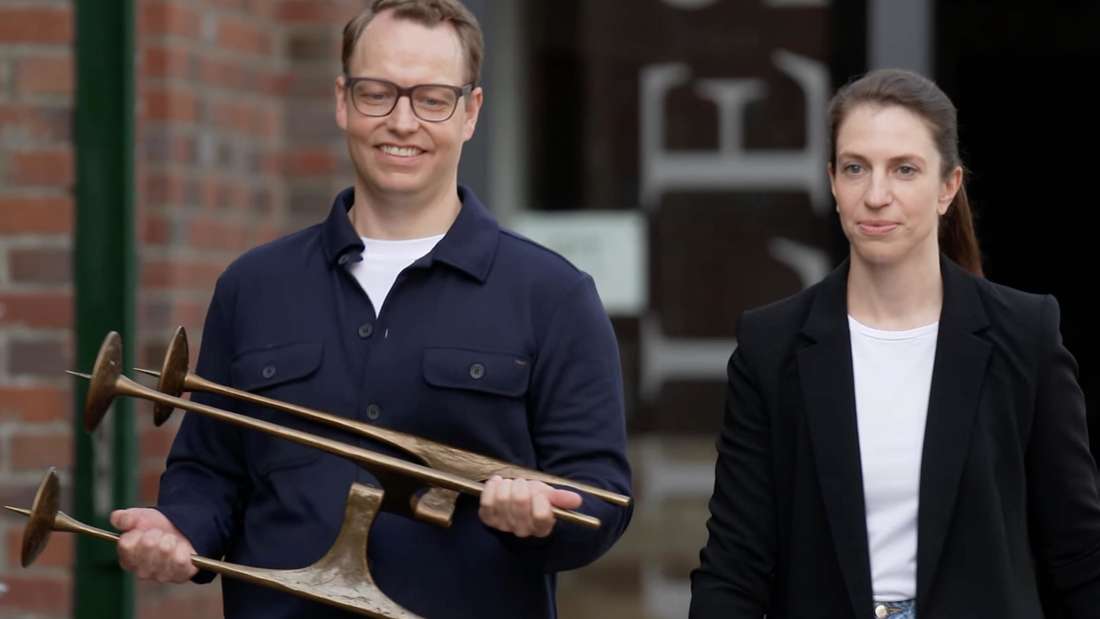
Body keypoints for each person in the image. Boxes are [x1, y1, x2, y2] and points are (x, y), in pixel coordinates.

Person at [108, 1, 632, 617]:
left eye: (432, 99)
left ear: (471, 112)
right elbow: (210, 470)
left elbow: (601, 499)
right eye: (377, 94)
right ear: (342, 100)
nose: (402, 122)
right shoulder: (254, 287)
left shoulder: (552, 295)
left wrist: (544, 516)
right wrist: (179, 527)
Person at [689, 68, 1100, 618]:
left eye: (904, 169)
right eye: (856, 168)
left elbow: (1078, 552)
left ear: (948, 187)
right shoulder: (772, 345)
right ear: (833, 182)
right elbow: (735, 565)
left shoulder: (1024, 334)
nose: (876, 195)